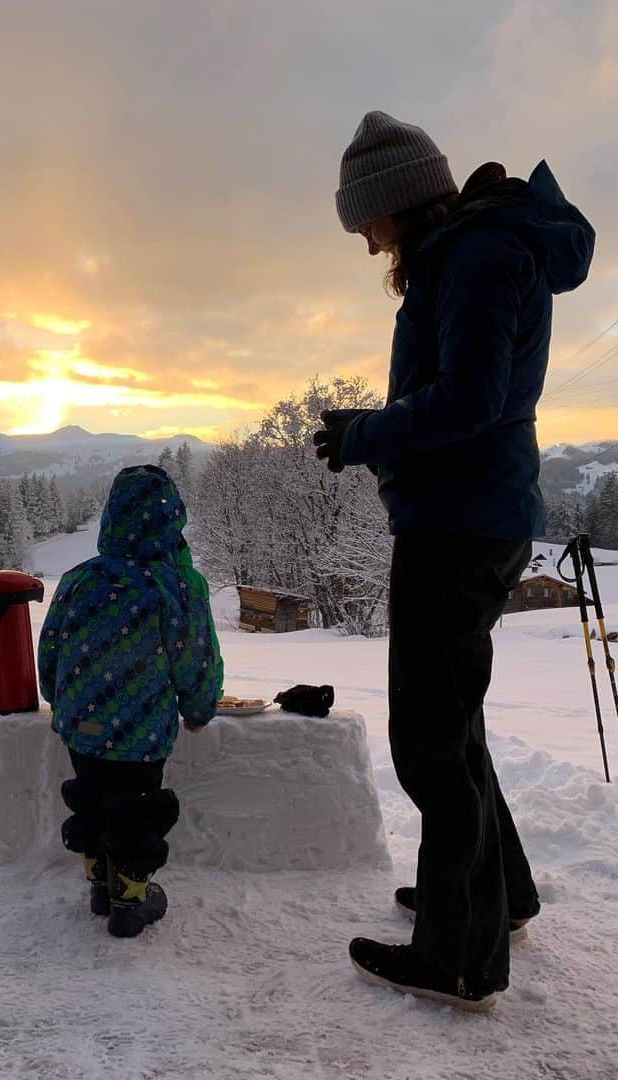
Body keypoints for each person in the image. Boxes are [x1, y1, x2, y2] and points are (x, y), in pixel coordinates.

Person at [316, 111, 594, 1010]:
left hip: (456, 524)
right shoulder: (475, 249)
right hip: (473, 513)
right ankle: (489, 896)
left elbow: (468, 398)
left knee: (431, 738)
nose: (366, 242)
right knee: (455, 721)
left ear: (398, 199)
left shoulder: (476, 255)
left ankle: (459, 956)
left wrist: (366, 433)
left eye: (367, 221)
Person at [38, 465, 224, 937]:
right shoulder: (175, 586)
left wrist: (58, 700)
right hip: (142, 733)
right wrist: (199, 709)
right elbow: (194, 658)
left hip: (83, 726)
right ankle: (129, 902)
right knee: (136, 812)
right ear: (171, 522)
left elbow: (52, 648)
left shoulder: (80, 578)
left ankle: (100, 884)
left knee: (93, 800)